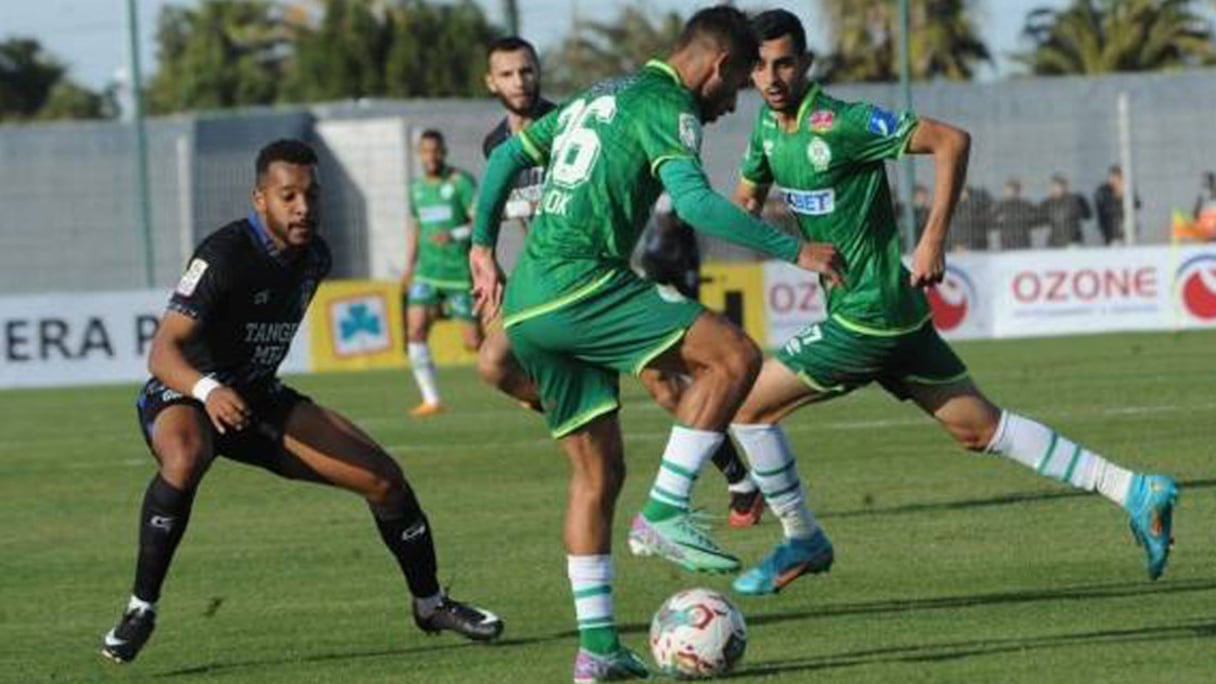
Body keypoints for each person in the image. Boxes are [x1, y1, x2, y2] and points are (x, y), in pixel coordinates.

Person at [716, 10, 1177, 597]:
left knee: (747, 407)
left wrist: (932, 237)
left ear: (805, 64)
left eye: (784, 63)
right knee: (981, 429)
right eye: (758, 66)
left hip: (870, 316)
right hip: (891, 318)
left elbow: (950, 140)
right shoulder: (765, 131)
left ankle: (802, 535)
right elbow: (746, 200)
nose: (772, 76)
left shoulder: (843, 122)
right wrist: (726, 210)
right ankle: (1134, 489)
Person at [470, 8, 842, 681]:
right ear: (719, 66)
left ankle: (598, 650)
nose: (734, 104)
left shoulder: (598, 94)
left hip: (528, 306)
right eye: (737, 87)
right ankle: (667, 507)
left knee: (596, 476)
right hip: (582, 284)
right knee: (735, 357)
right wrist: (796, 249)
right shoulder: (670, 106)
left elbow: (502, 158)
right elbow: (697, 206)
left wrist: (480, 249)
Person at [100, 139, 502, 665]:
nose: (303, 207)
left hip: (256, 399)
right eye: (287, 196)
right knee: (186, 455)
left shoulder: (316, 256)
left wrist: (241, 392)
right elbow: (162, 351)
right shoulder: (223, 255)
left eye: (311, 195)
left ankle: (430, 605)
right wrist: (209, 389)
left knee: (384, 479)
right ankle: (140, 609)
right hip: (186, 390)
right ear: (259, 199)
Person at [480, 36, 765, 527]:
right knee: (491, 363)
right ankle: (582, 403)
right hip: (545, 284)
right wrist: (491, 261)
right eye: (507, 74)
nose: (520, 81)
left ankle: (740, 481)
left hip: (603, 273)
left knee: (665, 386)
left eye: (527, 70)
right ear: (491, 83)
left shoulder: (573, 117)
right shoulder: (496, 147)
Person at [401, 129, 480, 417]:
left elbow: (480, 221)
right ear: (418, 154)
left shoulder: (460, 183)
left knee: (474, 343)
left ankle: (524, 381)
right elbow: (415, 228)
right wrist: (409, 266)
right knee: (415, 330)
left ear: (444, 152)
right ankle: (431, 399)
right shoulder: (416, 189)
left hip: (459, 273)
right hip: (427, 273)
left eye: (436, 151)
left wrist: (456, 233)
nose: (430, 156)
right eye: (425, 151)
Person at [1041, 173, 1091, 247]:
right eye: (1052, 187)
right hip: (1054, 243)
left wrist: (1082, 204)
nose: (1053, 189)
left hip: (1073, 243)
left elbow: (1088, 216)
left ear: (1064, 187)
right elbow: (1040, 220)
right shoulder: (1047, 203)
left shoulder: (1076, 199)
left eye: (1056, 186)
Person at [1094, 165, 1140, 245]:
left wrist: (1125, 194)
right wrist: (1117, 196)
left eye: (1118, 177)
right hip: (1111, 231)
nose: (1114, 180)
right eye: (1112, 177)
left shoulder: (1127, 189)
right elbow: (1105, 209)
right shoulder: (1103, 191)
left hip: (1128, 231)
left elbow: (1137, 205)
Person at [991, 178, 1042, 249]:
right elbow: (991, 222)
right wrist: (997, 221)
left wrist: (1028, 219)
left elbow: (1038, 220)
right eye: (1008, 190)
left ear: (1019, 191)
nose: (1011, 193)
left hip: (1023, 242)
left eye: (1014, 190)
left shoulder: (1026, 205)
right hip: (1006, 243)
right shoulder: (1000, 206)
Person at [946, 185, 991, 251]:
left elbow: (976, 229)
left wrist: (969, 245)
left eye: (963, 192)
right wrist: (954, 245)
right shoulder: (954, 209)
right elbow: (951, 230)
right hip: (957, 248)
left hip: (973, 246)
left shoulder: (975, 207)